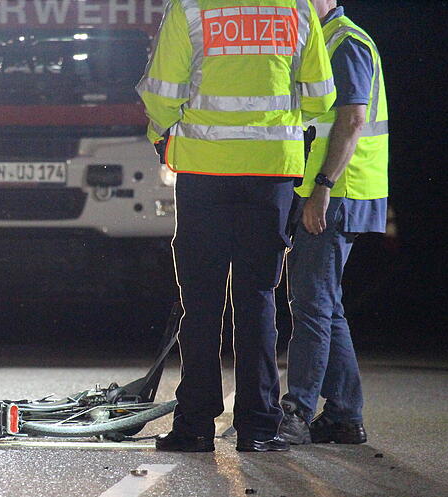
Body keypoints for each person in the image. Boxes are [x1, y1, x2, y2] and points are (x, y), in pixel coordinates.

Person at [137, 0, 336, 452]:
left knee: (201, 301)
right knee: (258, 297)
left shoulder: (191, 6)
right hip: (271, 171)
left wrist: (161, 136)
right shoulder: (298, 7)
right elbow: (321, 96)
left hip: (203, 170)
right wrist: (276, 122)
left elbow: (162, 92)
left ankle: (194, 426)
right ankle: (259, 427)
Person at [277, 0, 388, 446]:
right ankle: (344, 415)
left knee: (311, 306)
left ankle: (297, 411)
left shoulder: (345, 43)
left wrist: (322, 186)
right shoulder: (324, 40)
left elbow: (353, 118)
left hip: (338, 191)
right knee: (326, 304)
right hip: (332, 190)